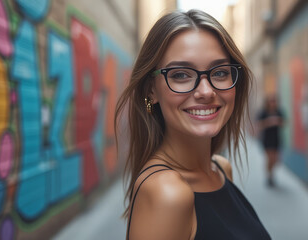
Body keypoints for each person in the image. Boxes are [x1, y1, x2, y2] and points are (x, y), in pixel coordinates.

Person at [115, 9, 271, 240]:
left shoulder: (220, 169)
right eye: (180, 75)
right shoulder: (166, 193)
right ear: (151, 90)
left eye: (219, 72)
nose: (206, 91)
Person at [257, 95, 284, 187]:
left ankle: (271, 173)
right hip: (267, 139)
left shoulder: (278, 112)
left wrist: (278, 122)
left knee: (275, 159)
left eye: (274, 101)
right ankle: (269, 176)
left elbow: (283, 123)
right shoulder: (264, 112)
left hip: (276, 138)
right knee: (270, 158)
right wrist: (270, 121)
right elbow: (259, 125)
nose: (273, 103)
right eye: (271, 101)